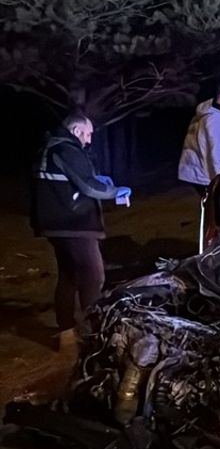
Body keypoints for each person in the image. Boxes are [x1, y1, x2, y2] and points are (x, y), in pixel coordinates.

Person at [30, 113, 132, 351]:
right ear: (76, 131)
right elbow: (87, 185)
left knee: (69, 276)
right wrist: (115, 191)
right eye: (87, 134)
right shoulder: (67, 149)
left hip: (54, 223)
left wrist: (100, 182)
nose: (88, 140)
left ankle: (66, 332)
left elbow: (74, 181)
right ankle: (94, 334)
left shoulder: (50, 148)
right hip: (74, 222)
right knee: (93, 276)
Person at [177, 79, 220, 195]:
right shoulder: (218, 118)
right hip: (207, 176)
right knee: (216, 210)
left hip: (198, 172)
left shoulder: (209, 114)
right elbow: (217, 152)